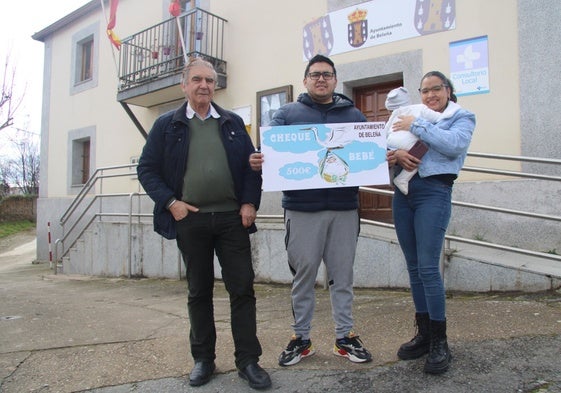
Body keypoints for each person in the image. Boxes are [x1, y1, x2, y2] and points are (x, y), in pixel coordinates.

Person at [137, 58, 271, 390]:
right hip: (190, 219)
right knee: (199, 291)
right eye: (197, 79)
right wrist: (171, 203)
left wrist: (249, 202)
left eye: (209, 80)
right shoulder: (167, 125)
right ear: (184, 85)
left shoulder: (232, 123)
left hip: (231, 219)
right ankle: (204, 360)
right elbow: (147, 169)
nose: (204, 86)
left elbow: (250, 168)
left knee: (242, 289)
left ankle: (248, 361)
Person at [249, 54, 372, 367]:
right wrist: (259, 158)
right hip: (302, 210)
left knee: (342, 275)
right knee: (303, 276)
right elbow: (269, 152)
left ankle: (345, 337)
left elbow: (368, 153)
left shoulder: (353, 113)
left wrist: (380, 157)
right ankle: (300, 338)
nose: (321, 79)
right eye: (315, 74)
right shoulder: (287, 114)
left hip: (344, 208)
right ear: (305, 80)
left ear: (334, 80)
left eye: (327, 74)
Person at [386, 71, 476, 374]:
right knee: (413, 267)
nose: (429, 95)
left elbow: (452, 145)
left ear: (448, 91)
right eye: (424, 91)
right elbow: (388, 144)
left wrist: (417, 125)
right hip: (403, 193)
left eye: (435, 89)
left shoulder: (461, 117)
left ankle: (440, 341)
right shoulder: (412, 114)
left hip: (433, 193)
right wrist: (396, 153)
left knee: (428, 267)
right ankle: (424, 334)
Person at [384, 87, 441, 195]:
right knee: (423, 148)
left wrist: (392, 148)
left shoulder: (395, 113)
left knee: (389, 156)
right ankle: (403, 178)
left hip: (392, 141)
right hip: (409, 143)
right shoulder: (421, 108)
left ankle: (391, 177)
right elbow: (439, 119)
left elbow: (385, 132)